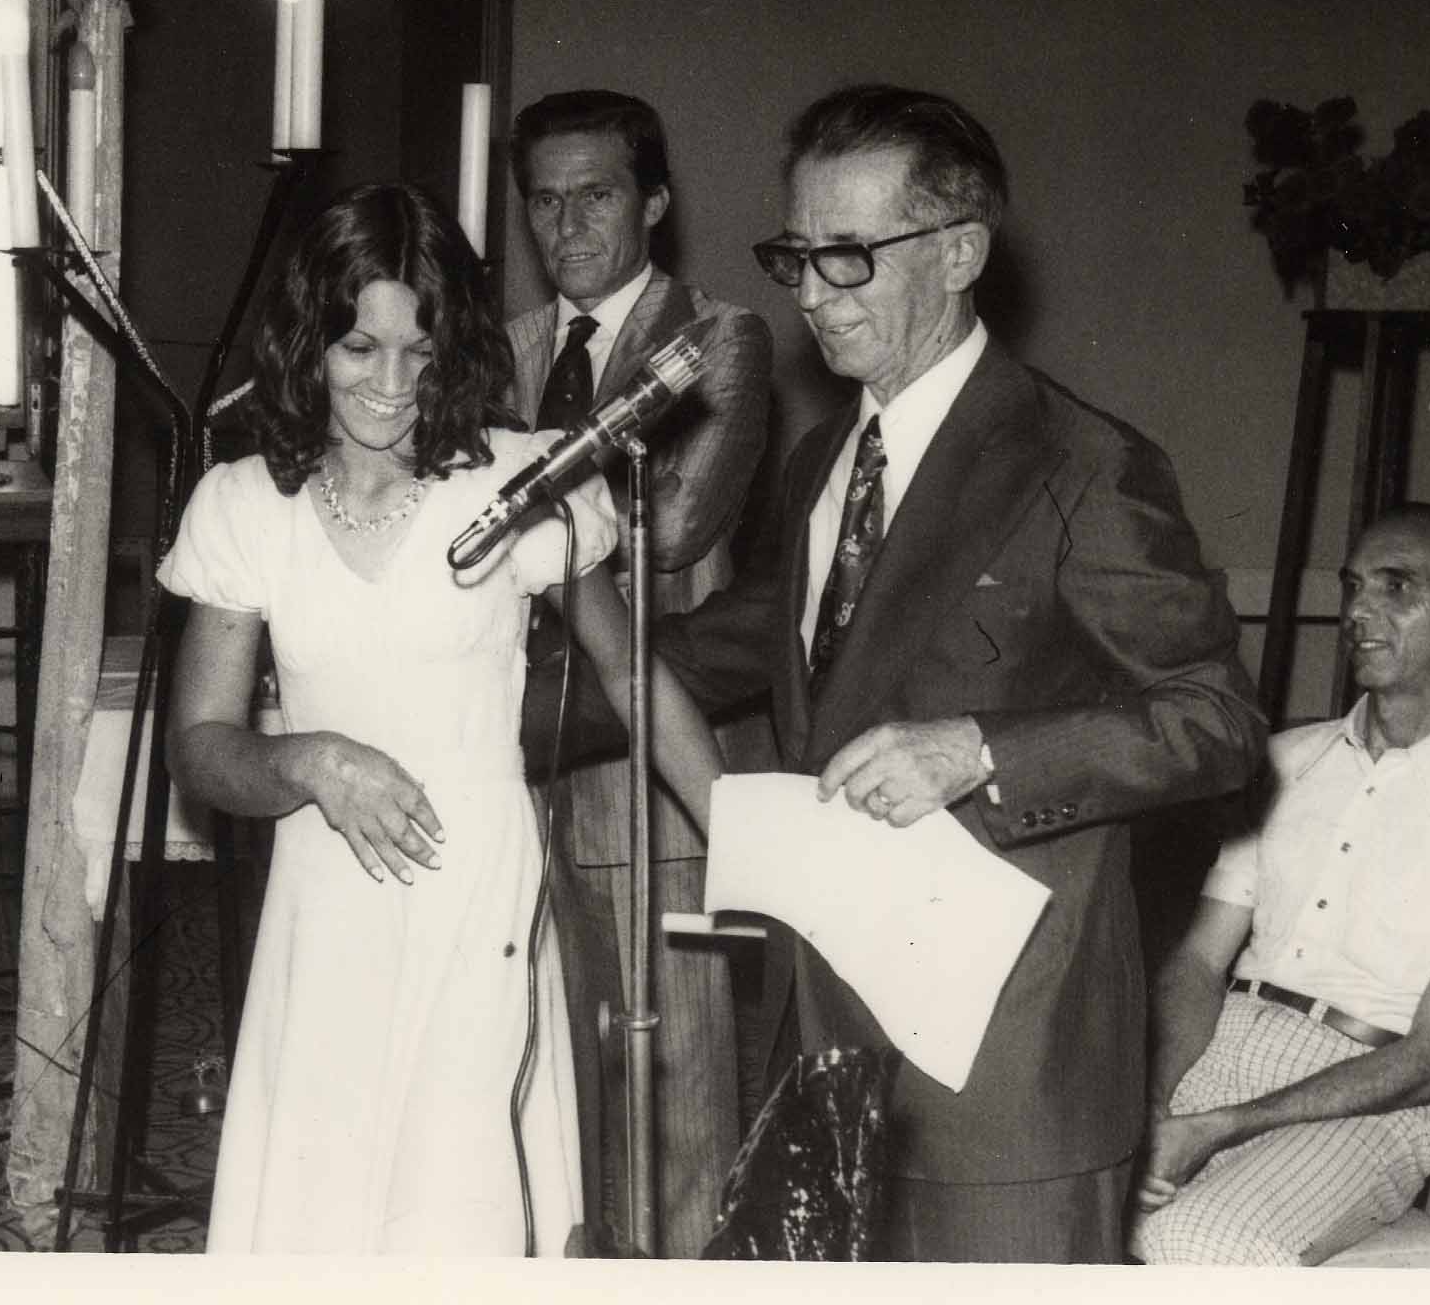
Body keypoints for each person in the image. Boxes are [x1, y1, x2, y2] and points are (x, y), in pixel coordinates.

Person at [607, 83, 1269, 1262]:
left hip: (1009, 1068)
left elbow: (1216, 720)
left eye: (848, 256)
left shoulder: (1083, 463)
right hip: (829, 1032)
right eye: (795, 256)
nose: (811, 294)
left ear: (961, 252)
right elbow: (735, 645)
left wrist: (980, 751)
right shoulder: (825, 458)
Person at [161, 182, 723, 1256]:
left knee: (459, 1207)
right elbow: (200, 748)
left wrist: (744, 838)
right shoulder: (243, 504)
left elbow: (628, 674)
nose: (391, 386)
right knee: (325, 1212)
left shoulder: (517, 480)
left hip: (479, 896)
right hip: (326, 907)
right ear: (307, 342)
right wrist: (311, 762)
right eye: (359, 349)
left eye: (420, 354)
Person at [1130, 504, 1430, 1266]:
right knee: (1043, 1187)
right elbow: (1200, 961)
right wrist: (1155, 1100)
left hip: (1365, 1104)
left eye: (1395, 587)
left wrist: (1220, 1127)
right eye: (1352, 586)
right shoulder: (1280, 762)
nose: (1357, 612)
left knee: (1194, 1238)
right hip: (1212, 1048)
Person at [506, 89, 774, 1257]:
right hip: (523, 766)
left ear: (655, 203)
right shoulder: (507, 348)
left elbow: (668, 522)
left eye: (597, 195)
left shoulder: (716, 340)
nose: (568, 225)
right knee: (556, 1086)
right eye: (545, 201)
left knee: (678, 1094)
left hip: (656, 776)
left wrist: (509, 518)